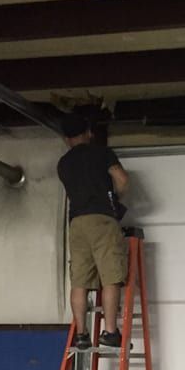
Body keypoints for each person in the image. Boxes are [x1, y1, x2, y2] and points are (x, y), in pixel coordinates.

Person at [57, 112, 129, 350]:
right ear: (88, 133)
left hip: (76, 223)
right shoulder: (102, 153)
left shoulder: (63, 163)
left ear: (67, 138)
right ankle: (110, 332)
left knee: (79, 281)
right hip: (102, 220)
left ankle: (81, 335)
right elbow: (122, 179)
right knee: (110, 277)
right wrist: (115, 198)